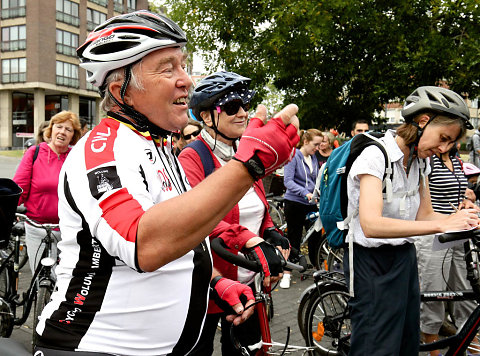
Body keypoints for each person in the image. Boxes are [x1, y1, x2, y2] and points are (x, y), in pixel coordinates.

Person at [34, 11, 300, 356]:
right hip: (92, 346)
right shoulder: (102, 150)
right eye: (167, 68)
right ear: (122, 91)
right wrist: (248, 166)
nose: (186, 80)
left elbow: (184, 233)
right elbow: (143, 244)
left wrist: (213, 284)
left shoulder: (158, 146)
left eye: (183, 65)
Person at [343, 86, 479, 356]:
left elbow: (425, 216)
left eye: (451, 143)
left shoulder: (420, 162)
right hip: (371, 263)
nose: (444, 148)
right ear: (422, 121)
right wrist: (441, 225)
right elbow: (371, 225)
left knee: (406, 344)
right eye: (443, 138)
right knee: (377, 347)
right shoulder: (375, 156)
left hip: (404, 257)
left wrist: (462, 220)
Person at [179, 71, 290, 355]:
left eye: (244, 105)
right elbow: (199, 219)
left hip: (248, 282)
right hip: (208, 282)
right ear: (206, 117)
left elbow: (259, 209)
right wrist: (249, 240)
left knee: (246, 351)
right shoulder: (193, 156)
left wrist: (272, 236)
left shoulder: (247, 151)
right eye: (231, 107)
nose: (242, 113)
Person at [415, 148, 479, 356]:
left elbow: (456, 193)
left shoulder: (455, 158)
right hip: (434, 234)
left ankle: (471, 348)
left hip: (459, 233)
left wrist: (466, 202)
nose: (449, 143)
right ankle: (435, 353)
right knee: (434, 293)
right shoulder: (426, 159)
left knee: (466, 290)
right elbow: (421, 200)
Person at [13, 111, 81, 275]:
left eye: (68, 129)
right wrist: (9, 210)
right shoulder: (35, 153)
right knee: (40, 275)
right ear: (51, 130)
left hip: (67, 230)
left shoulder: (77, 157)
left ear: (73, 135)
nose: (63, 132)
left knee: (64, 278)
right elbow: (20, 187)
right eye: (59, 127)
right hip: (37, 227)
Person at [281, 128, 323, 288]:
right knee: (294, 237)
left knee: (315, 236)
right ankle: (287, 273)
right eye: (315, 144)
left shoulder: (312, 158)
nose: (317, 148)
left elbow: (315, 179)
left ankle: (316, 268)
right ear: (305, 142)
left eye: (319, 145)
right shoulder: (293, 156)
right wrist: (305, 193)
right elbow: (288, 181)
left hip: (310, 203)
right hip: (295, 202)